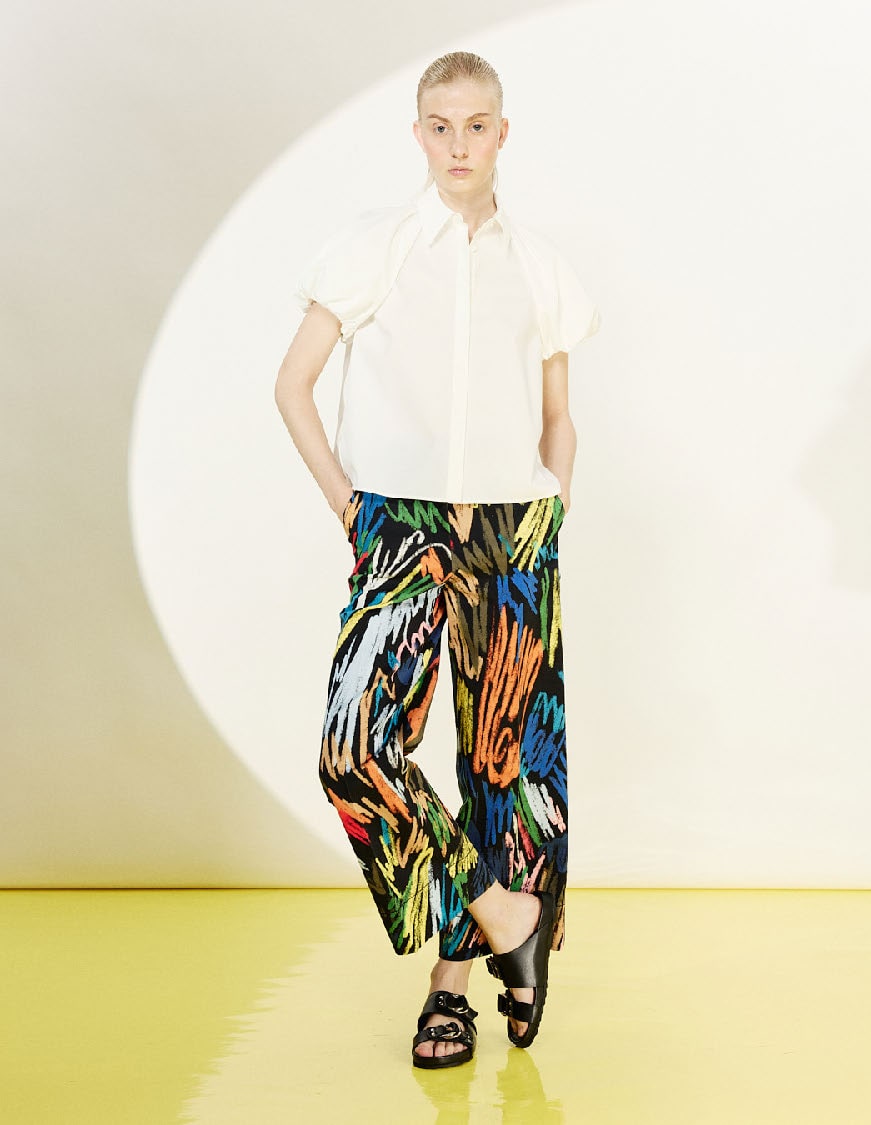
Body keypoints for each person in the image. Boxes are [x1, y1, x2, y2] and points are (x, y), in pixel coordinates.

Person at [274, 50, 600, 1069]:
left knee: (503, 765)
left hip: (513, 530)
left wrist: (550, 509)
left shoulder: (539, 266)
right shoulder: (371, 248)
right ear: (418, 134)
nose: (458, 144)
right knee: (354, 749)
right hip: (398, 525)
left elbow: (558, 415)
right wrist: (350, 508)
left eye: (476, 125)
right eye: (440, 125)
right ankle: (507, 915)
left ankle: (449, 994)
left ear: (502, 133)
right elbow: (292, 386)